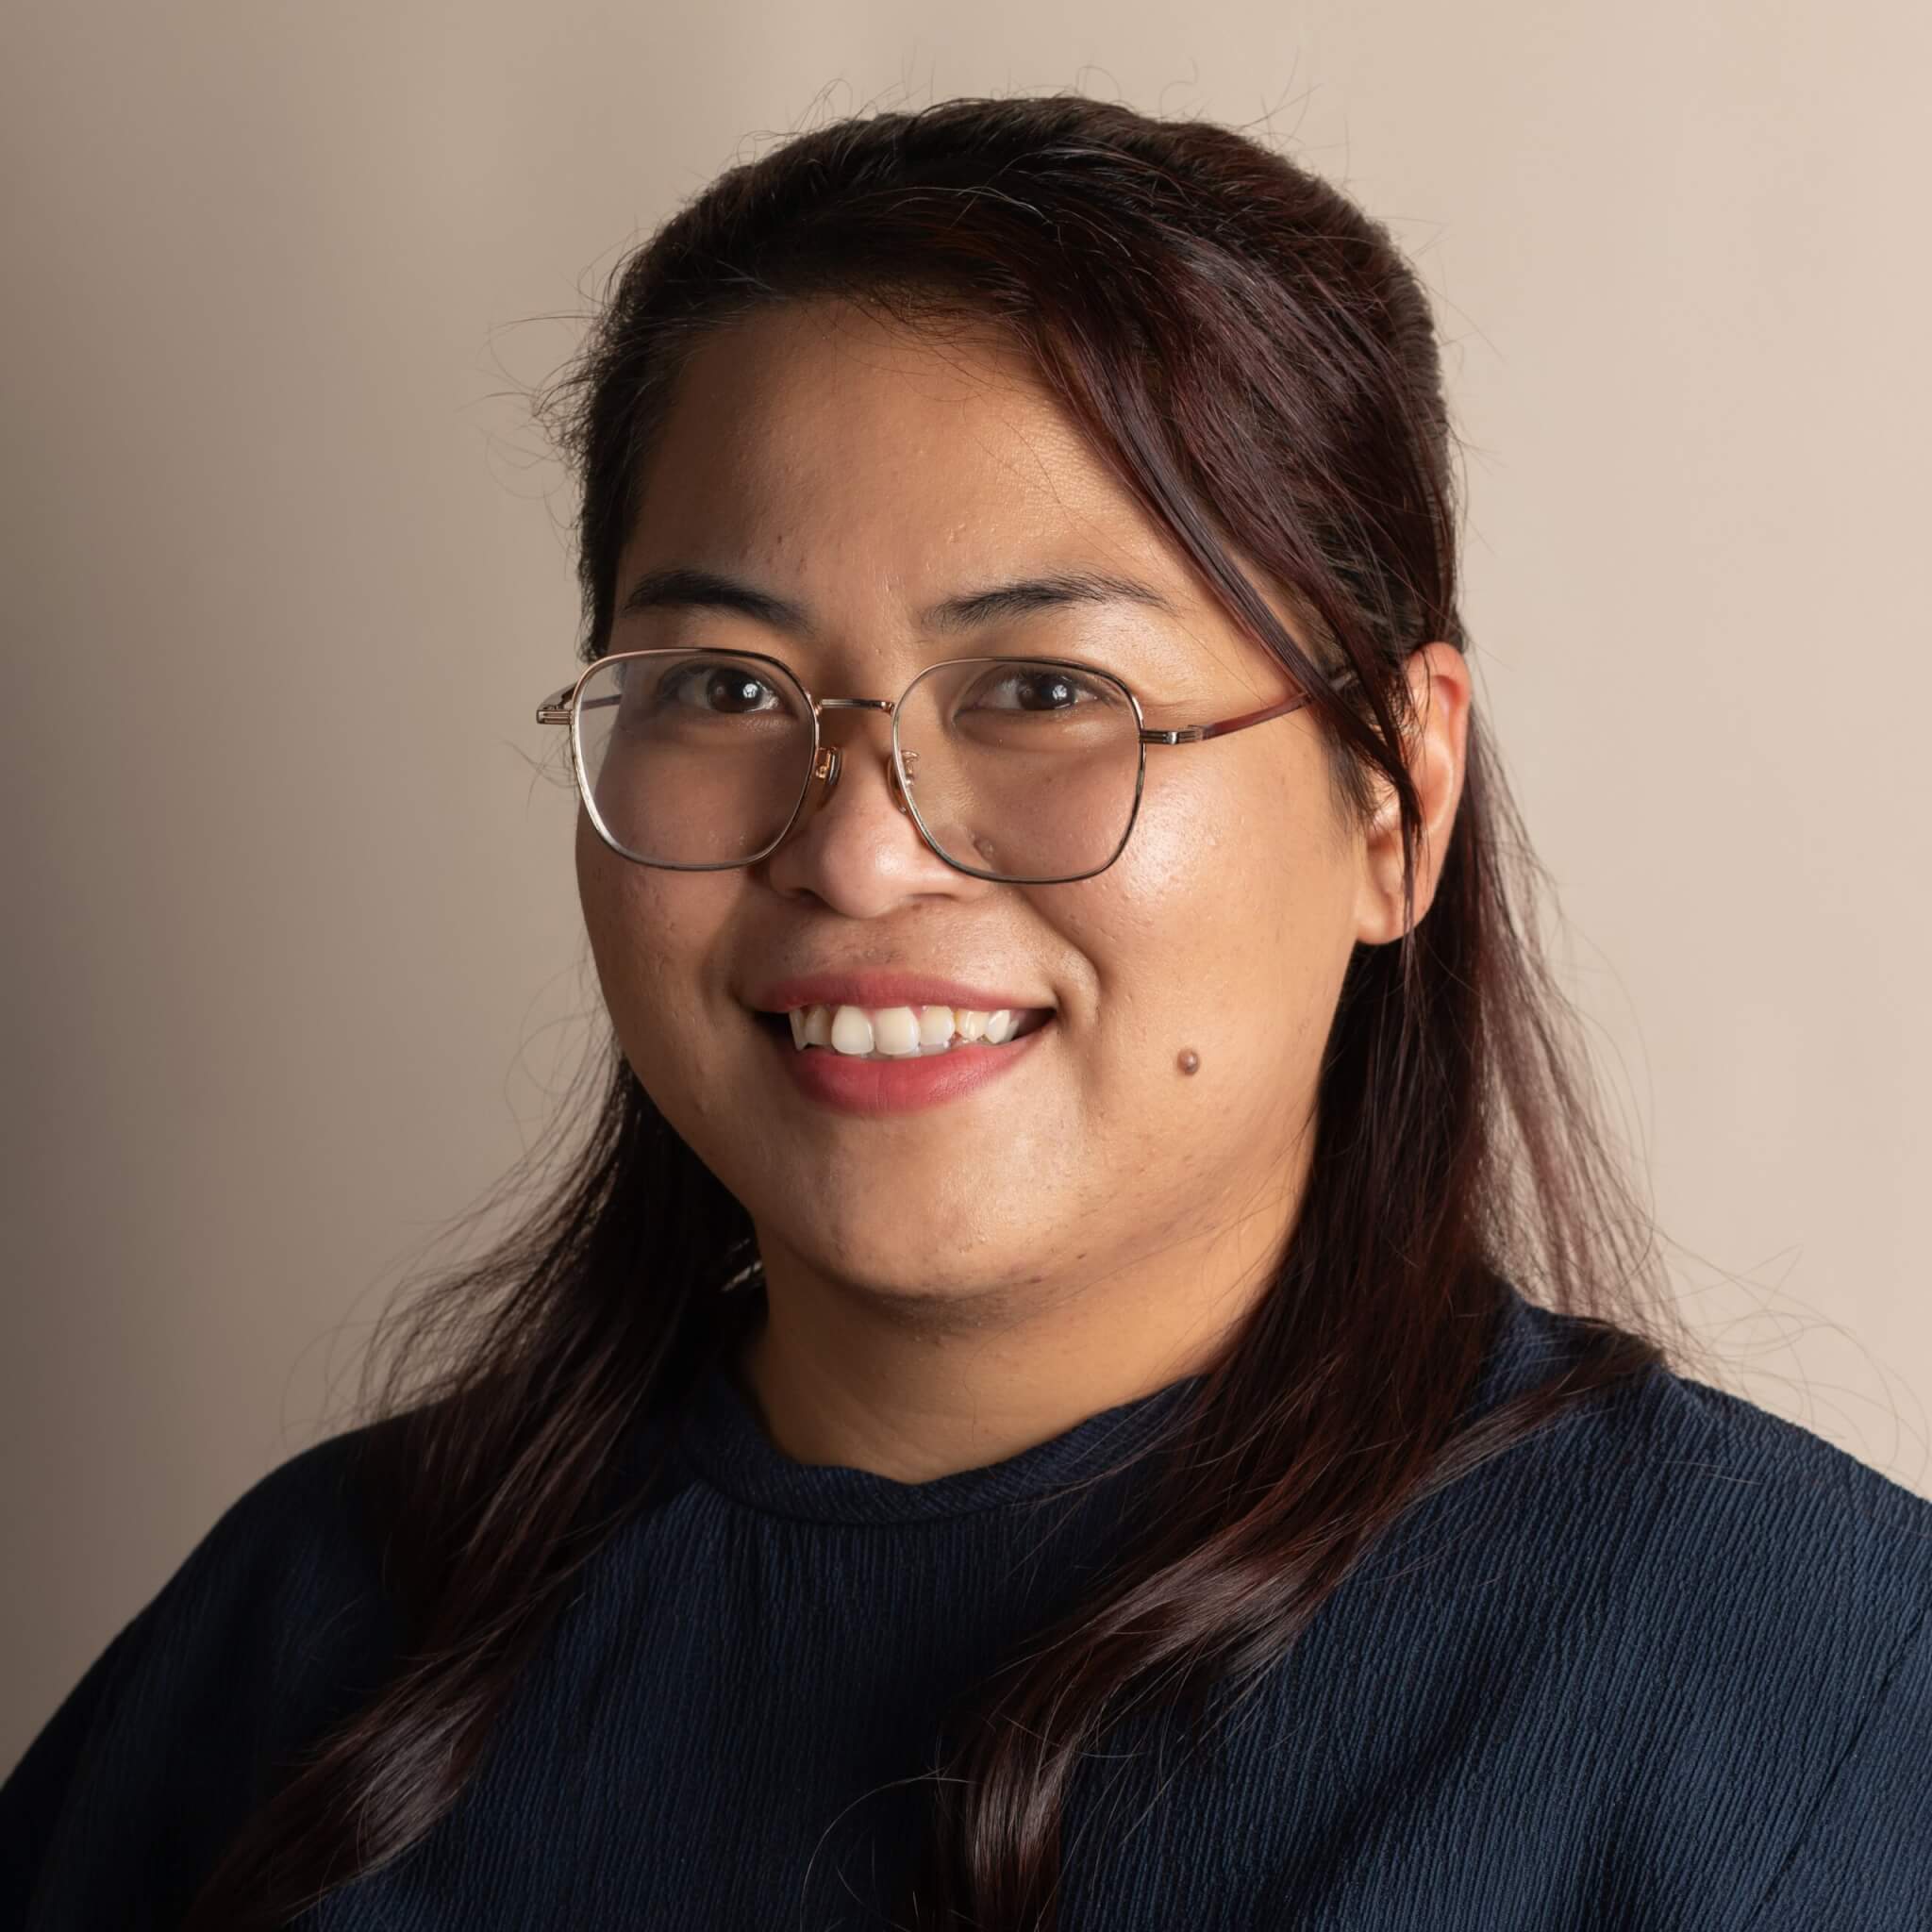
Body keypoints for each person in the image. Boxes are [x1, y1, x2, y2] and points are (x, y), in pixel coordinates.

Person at [4, 92, 1928, 1932]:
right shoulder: (304, 1638)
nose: (856, 855)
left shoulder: (1803, 1689)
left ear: (1395, 795)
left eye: (1043, 691)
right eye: (725, 689)